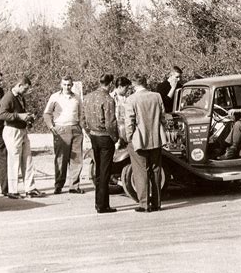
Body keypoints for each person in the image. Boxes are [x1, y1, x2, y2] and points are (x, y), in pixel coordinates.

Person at [125, 74, 167, 212]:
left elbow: (129, 122)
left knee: (140, 171)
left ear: (134, 84)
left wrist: (129, 137)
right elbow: (162, 117)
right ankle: (156, 203)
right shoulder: (157, 96)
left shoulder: (131, 99)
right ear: (145, 82)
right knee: (156, 170)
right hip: (156, 138)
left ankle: (144, 203)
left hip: (139, 139)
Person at [0, 76, 45, 199]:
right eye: (25, 89)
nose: (26, 91)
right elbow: (2, 115)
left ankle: (30, 188)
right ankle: (13, 191)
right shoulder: (8, 97)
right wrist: (20, 116)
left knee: (28, 159)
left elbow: (20, 113)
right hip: (12, 131)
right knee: (14, 161)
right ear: (19, 85)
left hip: (22, 130)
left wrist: (28, 118)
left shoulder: (20, 97)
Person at [83, 74, 119, 214]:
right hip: (105, 137)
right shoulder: (108, 99)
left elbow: (82, 118)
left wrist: (89, 131)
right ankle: (103, 205)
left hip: (93, 135)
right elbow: (110, 123)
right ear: (110, 84)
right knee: (105, 172)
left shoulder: (88, 97)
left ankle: (99, 203)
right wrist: (115, 138)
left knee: (98, 170)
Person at [43, 75, 84, 195]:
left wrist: (81, 128)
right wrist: (51, 127)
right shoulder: (55, 97)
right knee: (61, 159)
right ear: (61, 85)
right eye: (65, 84)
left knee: (76, 159)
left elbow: (81, 114)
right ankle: (59, 185)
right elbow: (47, 114)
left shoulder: (77, 97)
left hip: (75, 129)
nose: (67, 87)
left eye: (69, 84)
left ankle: (74, 186)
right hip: (61, 129)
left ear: (72, 85)